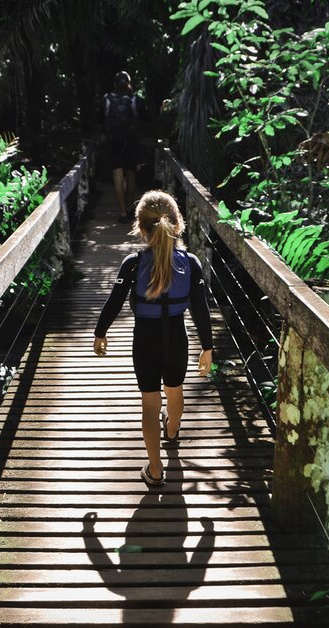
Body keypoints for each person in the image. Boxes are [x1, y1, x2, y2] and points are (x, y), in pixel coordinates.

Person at [93, 191, 213, 487]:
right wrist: (207, 347)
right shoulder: (192, 263)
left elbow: (114, 300)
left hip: (144, 339)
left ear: (141, 229)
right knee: (175, 390)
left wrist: (100, 332)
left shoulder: (133, 263)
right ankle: (172, 431)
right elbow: (200, 309)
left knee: (149, 403)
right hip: (177, 338)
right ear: (178, 225)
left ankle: (156, 469)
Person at [102, 71, 146, 223]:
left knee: (118, 176)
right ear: (129, 83)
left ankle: (122, 213)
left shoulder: (107, 99)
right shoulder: (134, 100)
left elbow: (100, 119)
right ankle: (128, 207)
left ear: (115, 84)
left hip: (114, 142)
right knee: (131, 174)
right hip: (131, 142)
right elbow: (144, 118)